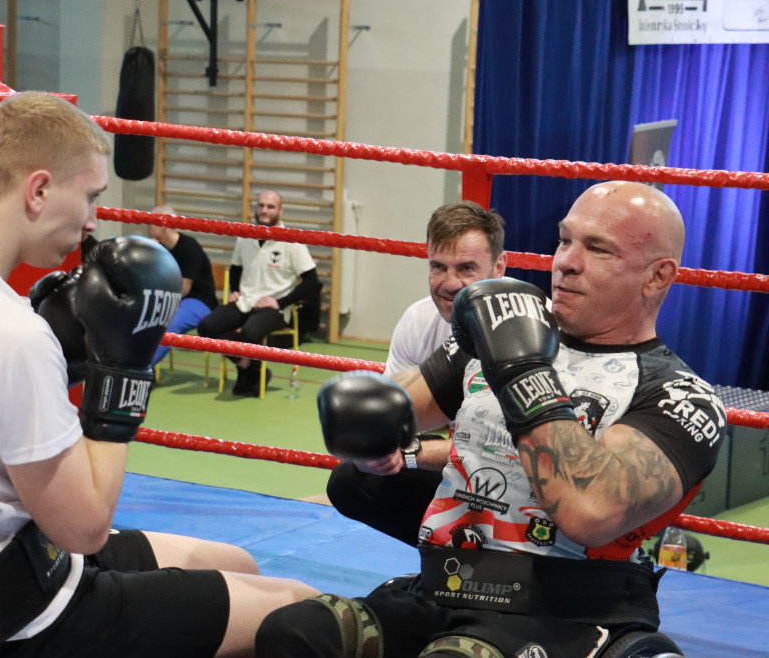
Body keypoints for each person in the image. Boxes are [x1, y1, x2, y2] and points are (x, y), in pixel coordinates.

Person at [0, 92, 316, 657]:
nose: (94, 219)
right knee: (299, 606)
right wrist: (122, 374)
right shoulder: (9, 333)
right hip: (29, 609)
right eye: (91, 196)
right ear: (40, 189)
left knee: (236, 564)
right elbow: (84, 530)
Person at [257, 181, 726, 658]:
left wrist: (522, 370)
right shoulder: (500, 330)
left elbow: (591, 511)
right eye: (565, 240)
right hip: (444, 586)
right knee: (292, 633)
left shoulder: (678, 395)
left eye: (598, 249)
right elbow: (393, 408)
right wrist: (368, 427)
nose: (565, 261)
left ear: (657, 276)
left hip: (557, 609)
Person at [327, 201, 507, 547]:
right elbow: (382, 427)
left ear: (499, 267)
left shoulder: (527, 327)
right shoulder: (419, 321)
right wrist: (372, 447)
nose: (450, 284)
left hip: (521, 488)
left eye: (467, 268)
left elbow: (505, 454)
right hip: (463, 471)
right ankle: (446, 564)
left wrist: (412, 453)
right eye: (438, 267)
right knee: (352, 480)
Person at [196, 189, 319, 396]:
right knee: (206, 327)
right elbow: (236, 268)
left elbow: (312, 282)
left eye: (270, 207)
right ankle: (248, 366)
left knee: (250, 334)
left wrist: (279, 303)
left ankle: (249, 373)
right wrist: (235, 290)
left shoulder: (292, 240)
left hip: (274, 309)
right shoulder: (245, 236)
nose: (264, 210)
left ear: (280, 210)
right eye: (261, 205)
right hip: (245, 301)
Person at [147, 205, 218, 365]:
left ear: (165, 226)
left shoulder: (189, 247)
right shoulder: (157, 247)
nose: (147, 225)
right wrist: (149, 251)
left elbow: (183, 290)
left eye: (151, 222)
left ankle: (141, 369)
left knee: (170, 323)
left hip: (199, 302)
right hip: (170, 299)